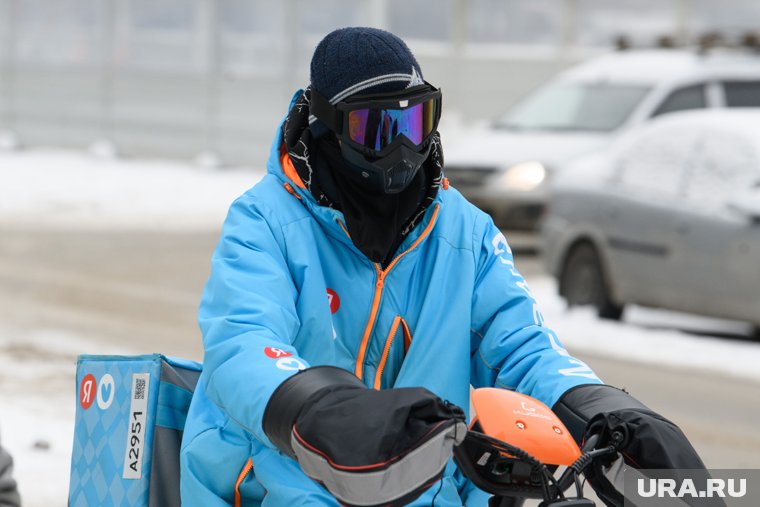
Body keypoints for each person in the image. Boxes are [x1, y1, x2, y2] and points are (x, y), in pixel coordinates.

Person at [180, 27, 707, 507]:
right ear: (328, 127)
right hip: (279, 478)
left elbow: (520, 350)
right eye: (377, 129)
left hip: (426, 487)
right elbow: (243, 342)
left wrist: (597, 407)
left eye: (416, 121)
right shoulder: (266, 220)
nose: (404, 149)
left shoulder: (466, 233)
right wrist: (325, 409)